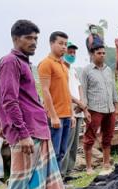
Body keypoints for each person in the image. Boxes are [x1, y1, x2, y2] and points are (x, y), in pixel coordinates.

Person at [0, 20, 71, 189]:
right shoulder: (10, 62)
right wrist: (23, 134)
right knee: (22, 182)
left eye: (36, 38)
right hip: (26, 134)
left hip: (38, 129)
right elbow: (9, 101)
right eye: (29, 38)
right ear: (15, 38)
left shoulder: (23, 63)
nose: (34, 42)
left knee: (41, 181)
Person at [38, 31, 74, 170]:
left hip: (66, 115)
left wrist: (71, 114)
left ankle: (58, 185)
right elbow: (45, 91)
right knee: (53, 153)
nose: (64, 47)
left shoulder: (63, 66)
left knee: (62, 152)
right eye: (60, 43)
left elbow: (66, 91)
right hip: (55, 117)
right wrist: (53, 116)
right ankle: (50, 187)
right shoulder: (46, 64)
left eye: (65, 44)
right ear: (51, 43)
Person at [80, 44, 118, 173]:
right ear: (92, 54)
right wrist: (85, 110)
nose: (102, 55)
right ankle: (88, 166)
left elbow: (113, 90)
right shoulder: (86, 71)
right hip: (94, 109)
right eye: (99, 53)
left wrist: (117, 107)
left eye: (103, 53)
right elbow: (83, 92)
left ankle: (106, 163)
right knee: (90, 137)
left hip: (109, 109)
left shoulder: (108, 70)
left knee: (108, 136)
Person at [60, 42, 90, 174]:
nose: (72, 55)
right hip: (68, 110)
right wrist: (78, 102)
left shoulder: (73, 70)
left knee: (74, 144)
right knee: (66, 142)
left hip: (78, 110)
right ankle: (62, 172)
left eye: (74, 53)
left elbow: (79, 87)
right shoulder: (61, 69)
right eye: (69, 52)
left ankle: (69, 170)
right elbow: (64, 91)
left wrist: (83, 102)